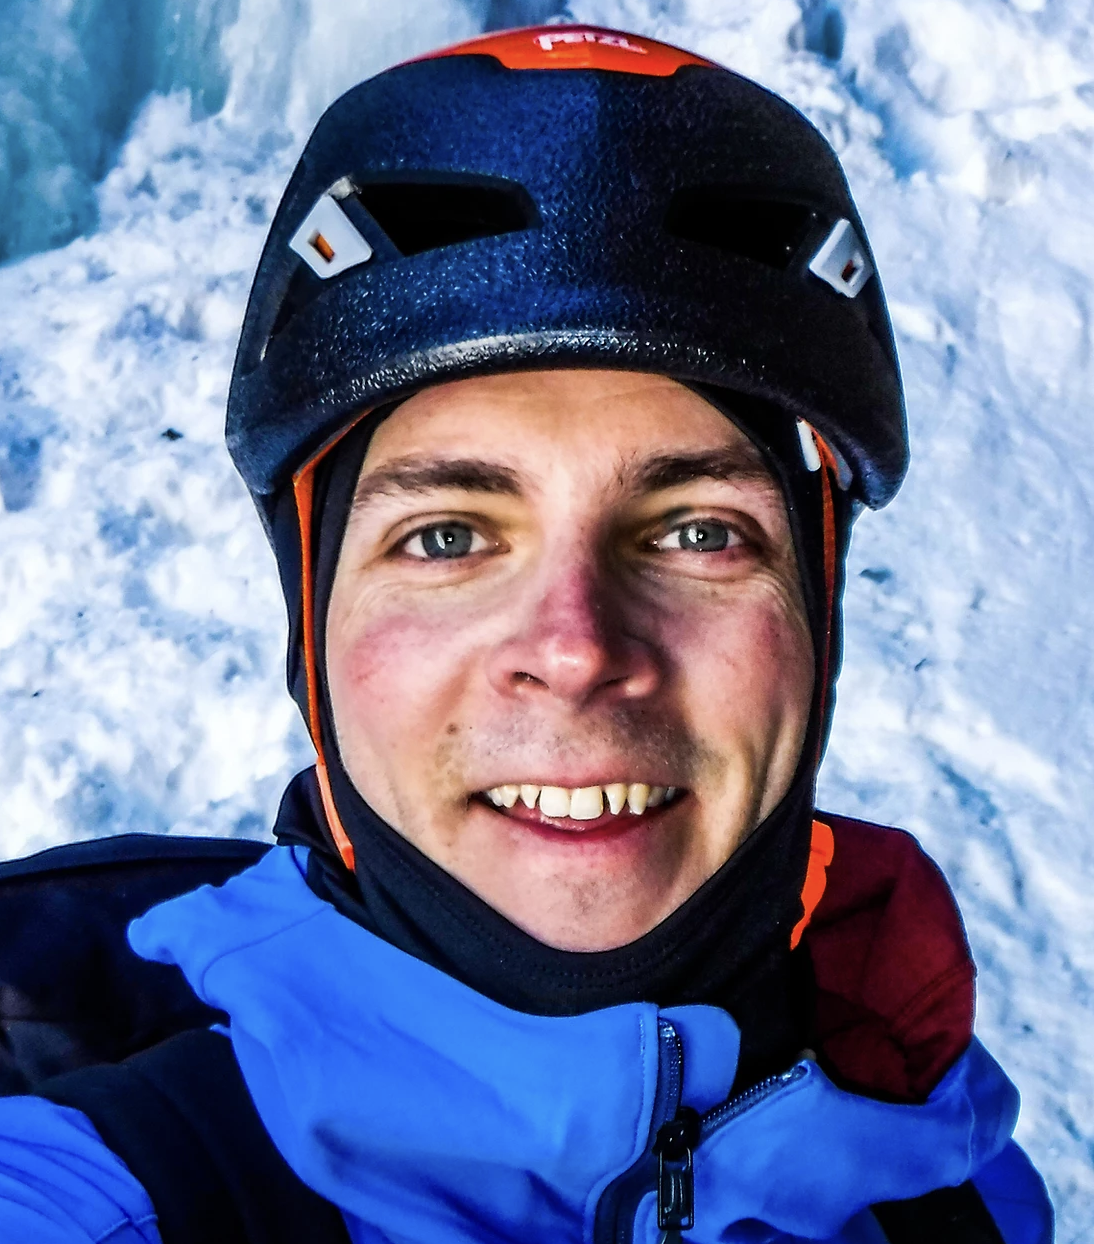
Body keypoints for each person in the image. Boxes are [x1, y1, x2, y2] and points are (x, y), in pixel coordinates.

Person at [0, 24, 1054, 1244]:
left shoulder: (949, 1177)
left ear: (817, 618)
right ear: (312, 627)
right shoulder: (105, 1193)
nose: (572, 646)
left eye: (697, 531)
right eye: (445, 536)